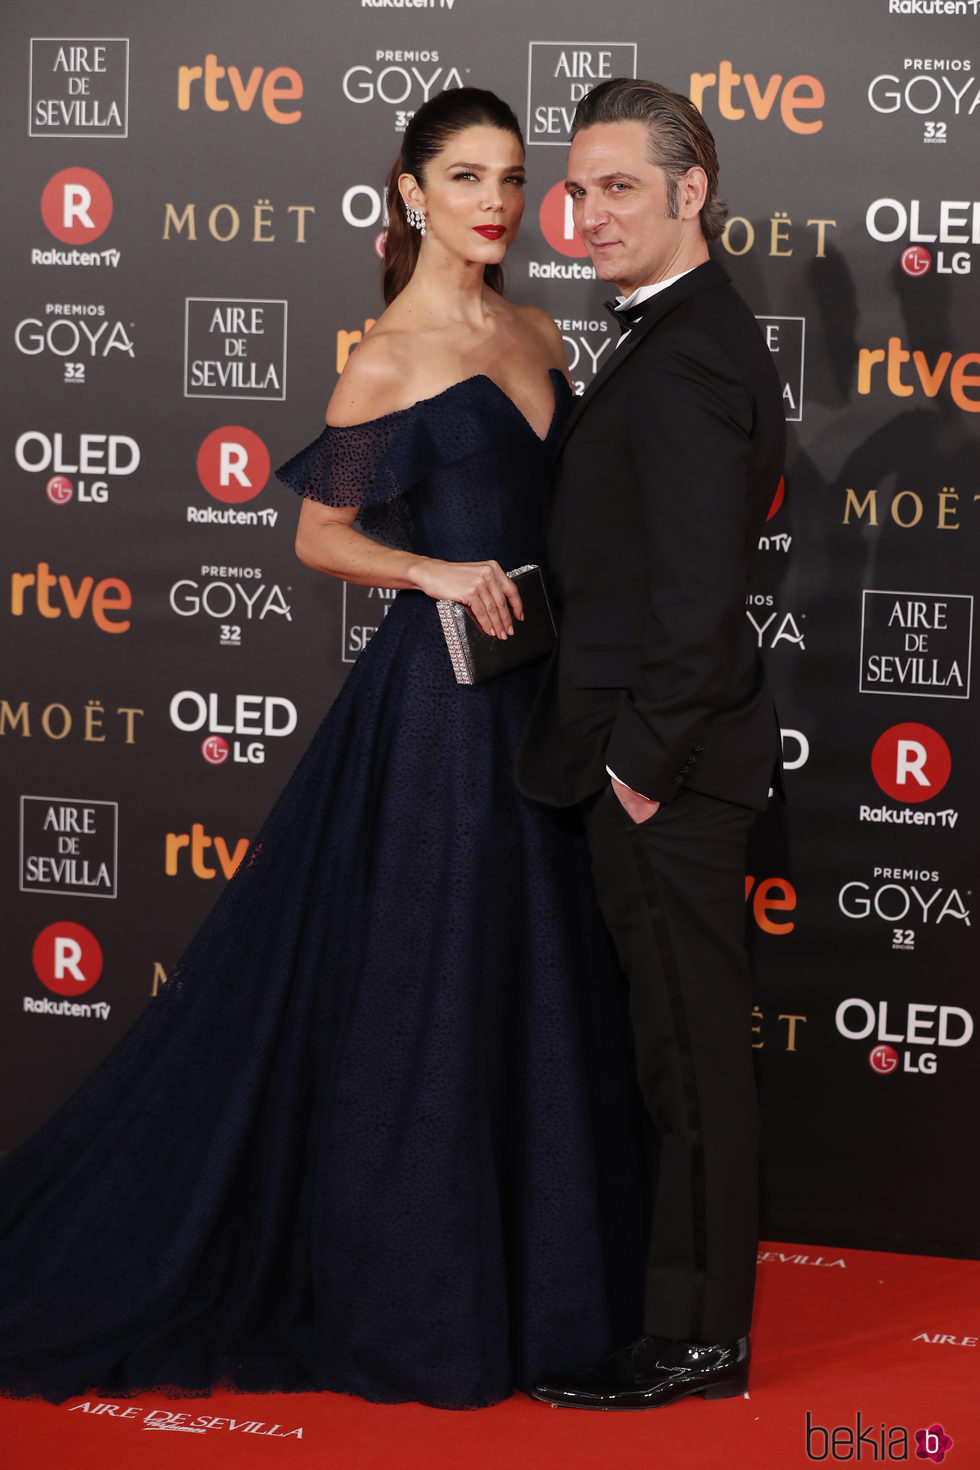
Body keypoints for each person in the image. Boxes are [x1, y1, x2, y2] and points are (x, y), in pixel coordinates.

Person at [0, 88, 646, 1410]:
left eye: (513, 180)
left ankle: (554, 1283)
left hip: (544, 699)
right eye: (465, 177)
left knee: (537, 977)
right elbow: (316, 538)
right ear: (409, 194)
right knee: (446, 983)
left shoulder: (534, 326)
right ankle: (426, 1293)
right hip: (443, 712)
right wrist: (438, 570)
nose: (496, 202)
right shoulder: (389, 354)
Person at [516, 78, 786, 1409]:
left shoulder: (684, 357)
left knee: (690, 1062)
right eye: (580, 187)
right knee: (667, 1054)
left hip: (664, 779)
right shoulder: (671, 332)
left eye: (622, 185)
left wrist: (635, 769)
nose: (589, 210)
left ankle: (696, 1340)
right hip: (647, 764)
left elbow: (695, 604)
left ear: (694, 192)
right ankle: (676, 1315)